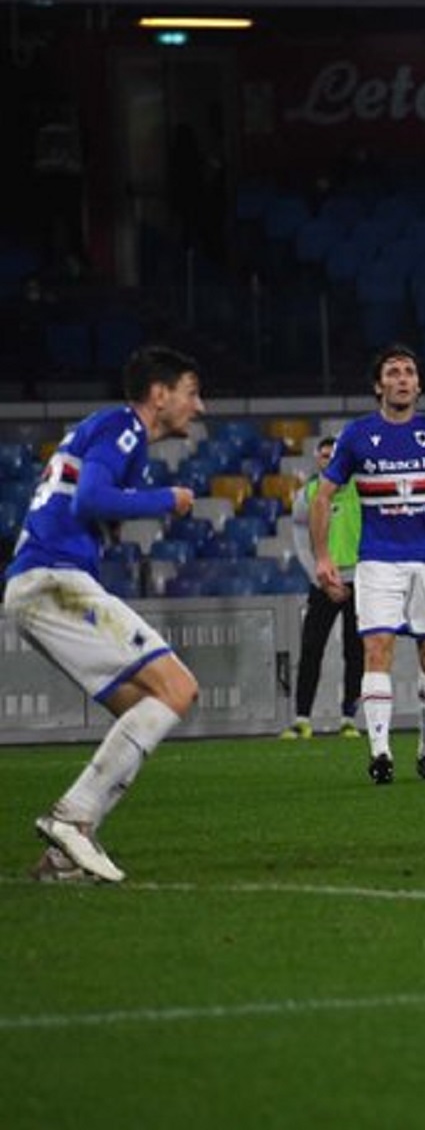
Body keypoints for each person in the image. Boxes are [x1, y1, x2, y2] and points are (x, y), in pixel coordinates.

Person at [3, 345, 204, 883]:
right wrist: (167, 498)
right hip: (54, 580)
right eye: (191, 392)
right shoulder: (124, 427)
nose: (199, 406)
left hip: (39, 583)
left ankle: (65, 854)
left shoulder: (108, 432)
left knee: (145, 707)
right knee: (178, 687)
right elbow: (89, 499)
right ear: (159, 394)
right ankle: (72, 819)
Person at [311, 343, 425, 785]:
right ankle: (381, 754)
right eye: (392, 372)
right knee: (377, 649)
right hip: (378, 561)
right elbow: (322, 497)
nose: (402, 379)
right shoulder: (357, 434)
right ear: (379, 386)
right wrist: (323, 556)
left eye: (409, 371)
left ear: (418, 384)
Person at [285, 434, 363, 740]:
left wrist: (362, 573)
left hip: (358, 580)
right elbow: (300, 540)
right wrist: (320, 577)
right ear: (317, 460)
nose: (329, 461)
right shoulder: (307, 494)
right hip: (322, 583)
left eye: (334, 455)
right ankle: (302, 719)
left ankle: (349, 718)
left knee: (355, 651)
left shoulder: (360, 489)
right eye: (324, 456)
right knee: (311, 649)